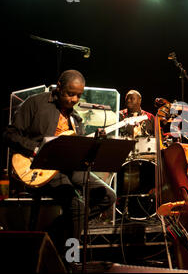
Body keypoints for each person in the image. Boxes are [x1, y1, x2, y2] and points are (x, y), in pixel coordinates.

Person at [3, 69, 116, 256]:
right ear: (59, 86)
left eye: (78, 95)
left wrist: (94, 143)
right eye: (70, 94)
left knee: (107, 196)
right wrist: (35, 149)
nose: (73, 99)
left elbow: (77, 149)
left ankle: (52, 232)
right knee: (77, 205)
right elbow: (9, 134)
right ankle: (70, 257)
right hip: (39, 166)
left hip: (68, 167)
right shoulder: (35, 103)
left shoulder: (76, 118)